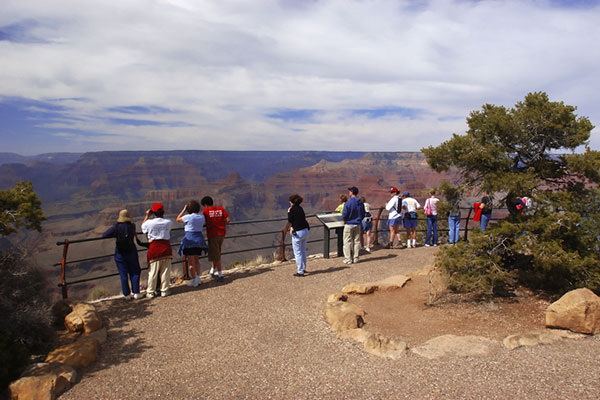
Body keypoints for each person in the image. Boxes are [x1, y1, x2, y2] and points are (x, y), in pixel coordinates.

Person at [102, 209, 142, 299]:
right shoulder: (133, 226)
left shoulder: (116, 227)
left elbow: (104, 235)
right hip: (132, 252)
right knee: (135, 272)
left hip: (120, 253)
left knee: (123, 274)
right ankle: (136, 292)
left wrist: (115, 234)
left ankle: (126, 294)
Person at [141, 203, 173, 298]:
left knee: (153, 272)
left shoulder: (148, 223)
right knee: (165, 271)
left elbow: (143, 229)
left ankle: (150, 291)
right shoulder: (168, 222)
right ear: (163, 212)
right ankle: (164, 290)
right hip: (166, 248)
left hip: (154, 249)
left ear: (153, 212)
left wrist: (147, 215)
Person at [176, 199, 208, 288]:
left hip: (189, 241)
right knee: (197, 261)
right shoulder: (202, 217)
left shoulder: (188, 217)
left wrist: (184, 209)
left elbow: (178, 219)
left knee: (191, 264)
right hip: (199, 241)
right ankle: (198, 278)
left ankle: (194, 280)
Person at [201, 196, 230, 282]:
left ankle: (220, 274)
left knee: (216, 255)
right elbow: (228, 220)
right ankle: (212, 271)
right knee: (216, 252)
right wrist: (220, 223)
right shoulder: (220, 209)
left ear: (205, 205)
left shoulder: (206, 211)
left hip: (213, 235)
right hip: (222, 234)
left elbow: (202, 221)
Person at [286, 194, 310, 276]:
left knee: (298, 252)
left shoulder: (292, 209)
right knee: (303, 251)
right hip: (305, 231)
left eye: (290, 201)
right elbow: (299, 219)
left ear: (292, 202)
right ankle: (303, 268)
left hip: (298, 233)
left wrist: (289, 212)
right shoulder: (300, 208)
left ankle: (300, 271)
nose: (289, 202)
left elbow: (290, 220)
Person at [342, 186, 365, 264]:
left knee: (347, 242)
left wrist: (345, 220)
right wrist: (359, 220)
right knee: (357, 241)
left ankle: (348, 259)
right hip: (357, 224)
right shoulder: (360, 202)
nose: (349, 192)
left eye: (350, 191)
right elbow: (363, 213)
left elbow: (345, 214)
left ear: (352, 192)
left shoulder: (348, 203)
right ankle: (356, 258)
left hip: (349, 224)